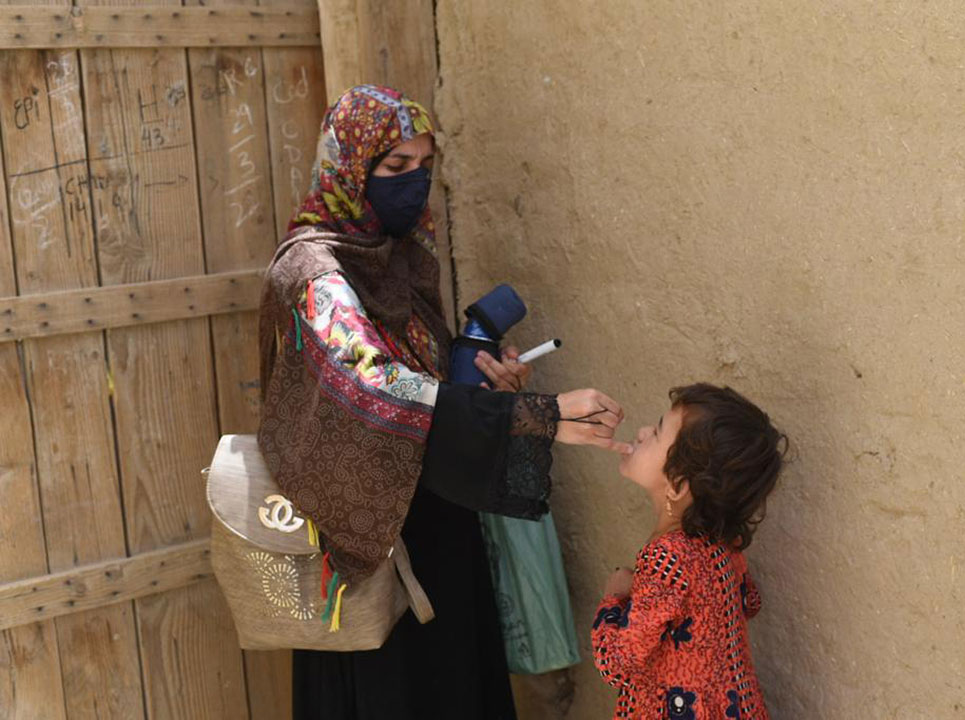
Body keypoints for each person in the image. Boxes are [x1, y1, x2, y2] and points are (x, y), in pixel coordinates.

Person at [257, 85, 631, 719]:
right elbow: (372, 388)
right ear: (348, 167)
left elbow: (425, 381)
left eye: (425, 166)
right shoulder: (313, 275)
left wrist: (482, 385)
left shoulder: (405, 259)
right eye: (395, 167)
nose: (414, 183)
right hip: (368, 553)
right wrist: (534, 418)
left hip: (440, 535)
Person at [591, 384, 786, 719]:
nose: (642, 432)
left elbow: (619, 664)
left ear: (678, 485)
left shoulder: (664, 558)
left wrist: (613, 598)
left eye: (656, 432)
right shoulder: (725, 543)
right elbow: (749, 602)